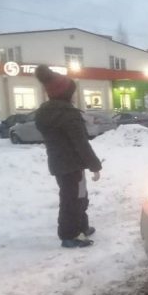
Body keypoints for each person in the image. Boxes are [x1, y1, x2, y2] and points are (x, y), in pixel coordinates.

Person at [34, 65, 102, 249]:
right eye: (72, 92)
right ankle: (69, 235)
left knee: (77, 196)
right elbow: (80, 143)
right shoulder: (68, 115)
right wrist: (95, 165)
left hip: (58, 163)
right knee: (73, 199)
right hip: (73, 164)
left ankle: (82, 226)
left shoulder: (44, 112)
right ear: (66, 93)